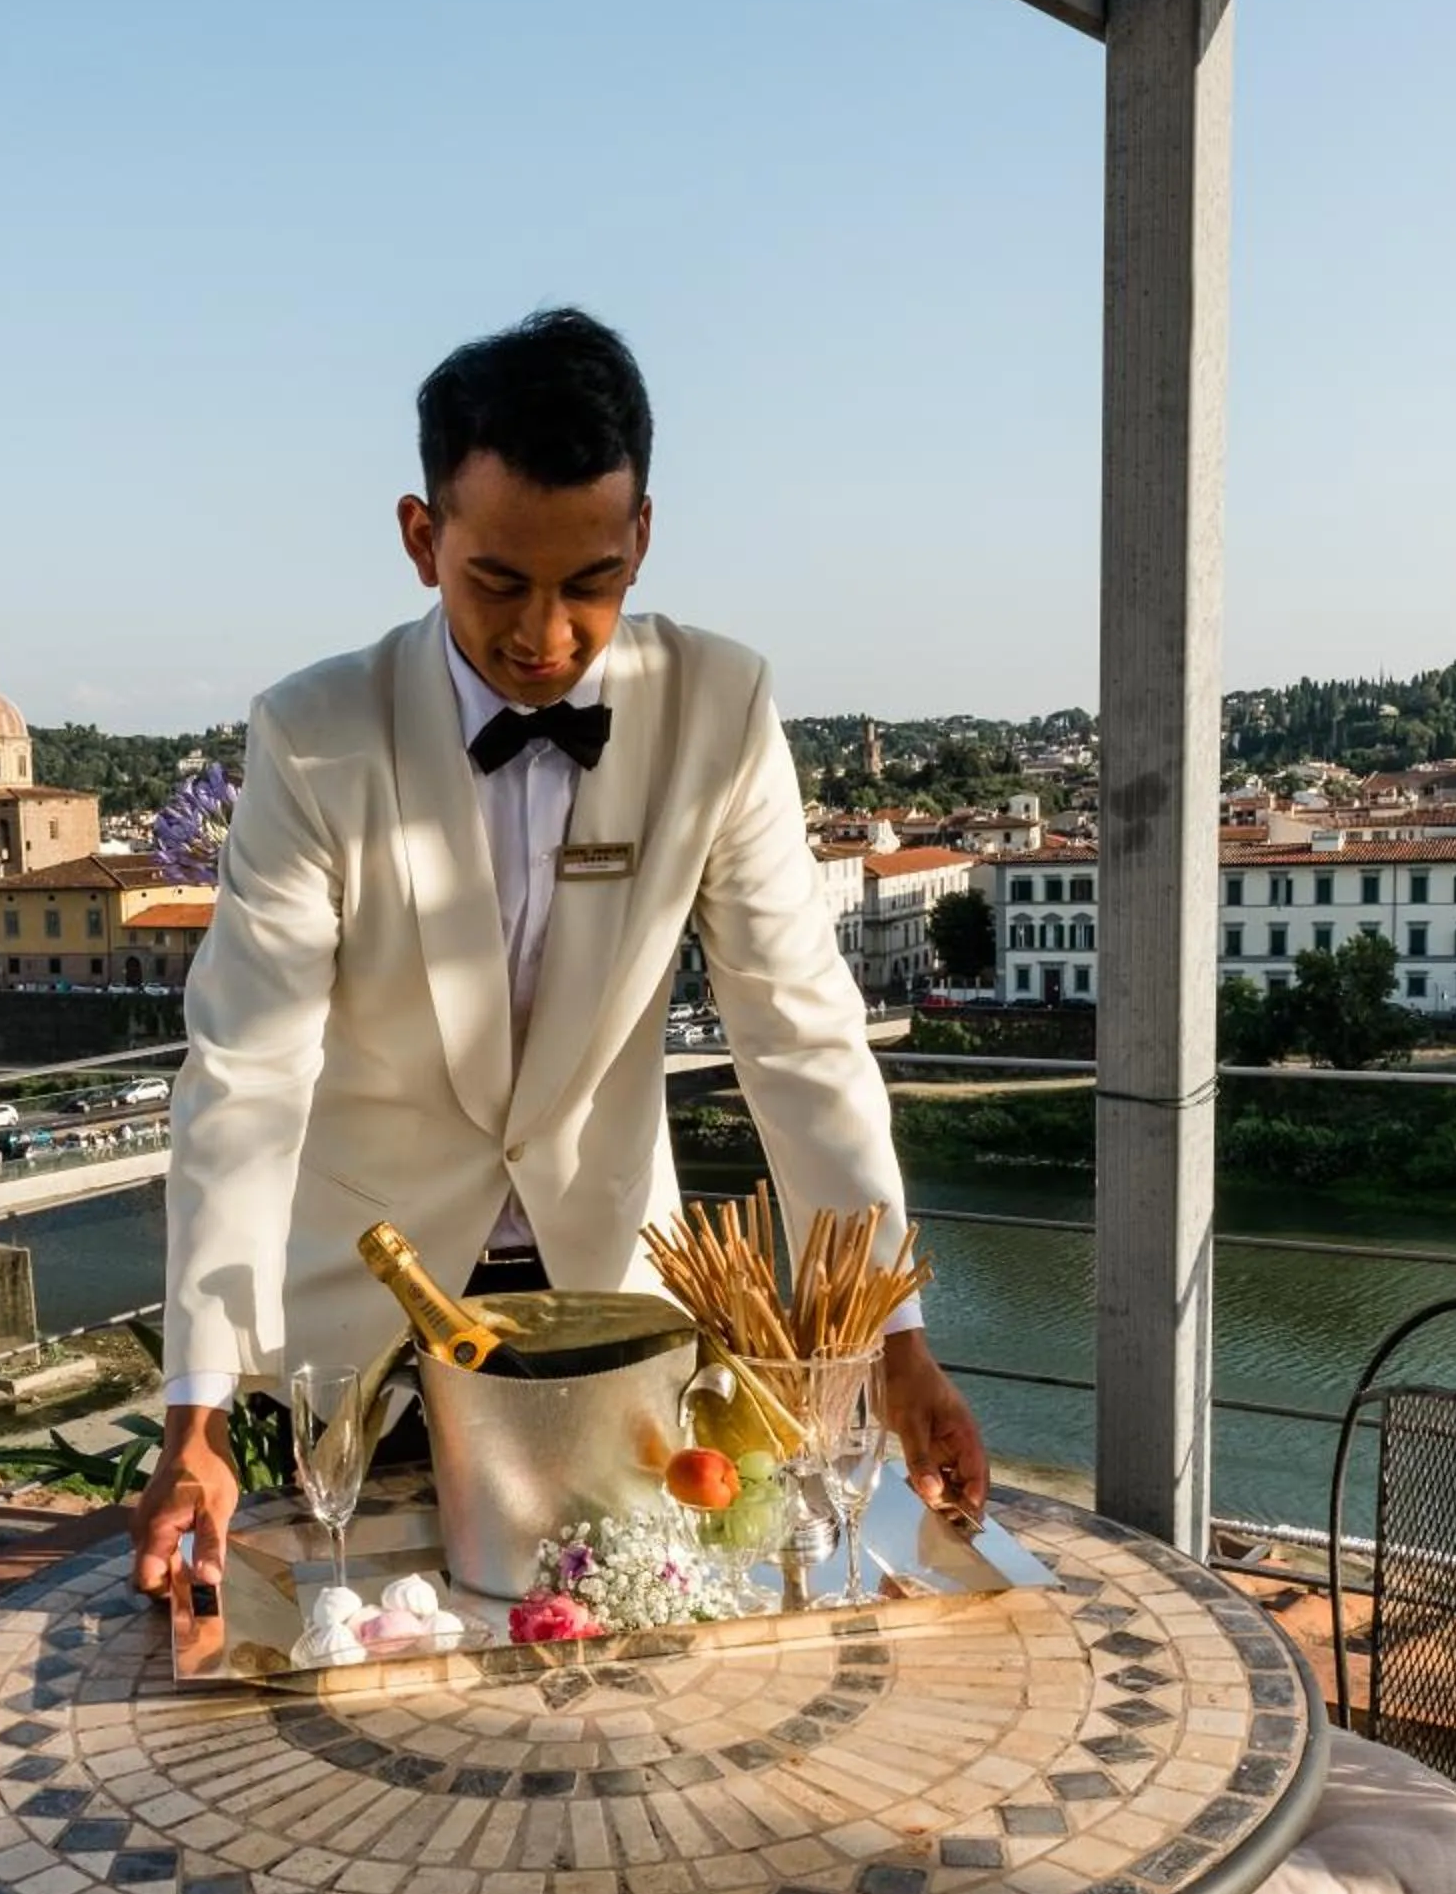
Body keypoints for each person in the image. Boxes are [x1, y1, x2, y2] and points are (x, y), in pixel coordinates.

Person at [129, 308, 986, 1596]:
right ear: (423, 540)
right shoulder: (312, 739)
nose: (547, 634)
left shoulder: (722, 709)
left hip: (620, 1319)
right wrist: (195, 1408)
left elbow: (798, 1033)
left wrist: (891, 1336)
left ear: (642, 535)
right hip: (371, 1335)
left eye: (592, 582)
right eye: (499, 584)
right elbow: (248, 1072)